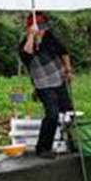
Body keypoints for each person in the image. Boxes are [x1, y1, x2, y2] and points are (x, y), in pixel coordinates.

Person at [18, 12, 74, 159]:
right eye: (38, 27)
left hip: (59, 79)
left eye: (43, 27)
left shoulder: (50, 39)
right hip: (43, 85)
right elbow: (27, 54)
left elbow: (64, 52)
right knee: (52, 114)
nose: (41, 30)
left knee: (69, 112)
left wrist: (68, 70)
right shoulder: (25, 44)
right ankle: (43, 147)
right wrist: (31, 36)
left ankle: (72, 142)